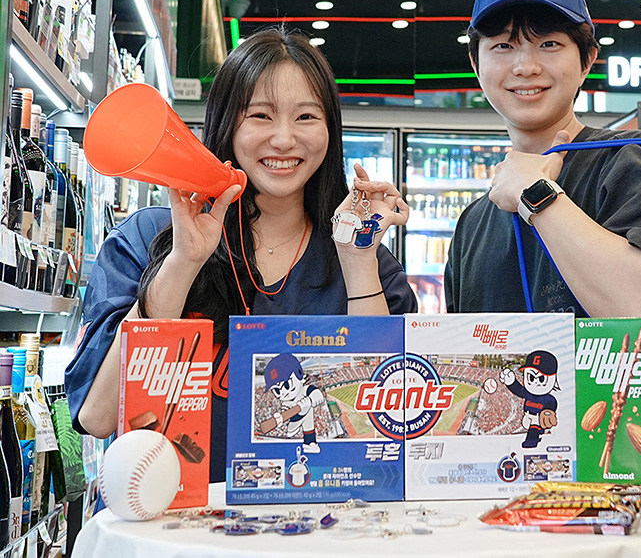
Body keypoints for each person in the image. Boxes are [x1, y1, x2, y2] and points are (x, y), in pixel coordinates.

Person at [66, 28, 417, 482]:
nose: (284, 139)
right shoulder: (148, 239)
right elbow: (97, 416)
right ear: (227, 124)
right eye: (260, 116)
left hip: (319, 517)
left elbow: (386, 428)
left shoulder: (370, 265)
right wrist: (182, 264)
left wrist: (357, 262)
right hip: (172, 518)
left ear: (330, 131)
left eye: (306, 116)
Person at [443, 0, 641, 490]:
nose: (525, 65)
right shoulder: (473, 223)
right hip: (506, 488)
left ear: (587, 60)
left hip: (633, 489)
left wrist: (538, 197)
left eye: (549, 44)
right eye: (503, 46)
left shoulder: (637, 161)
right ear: (475, 62)